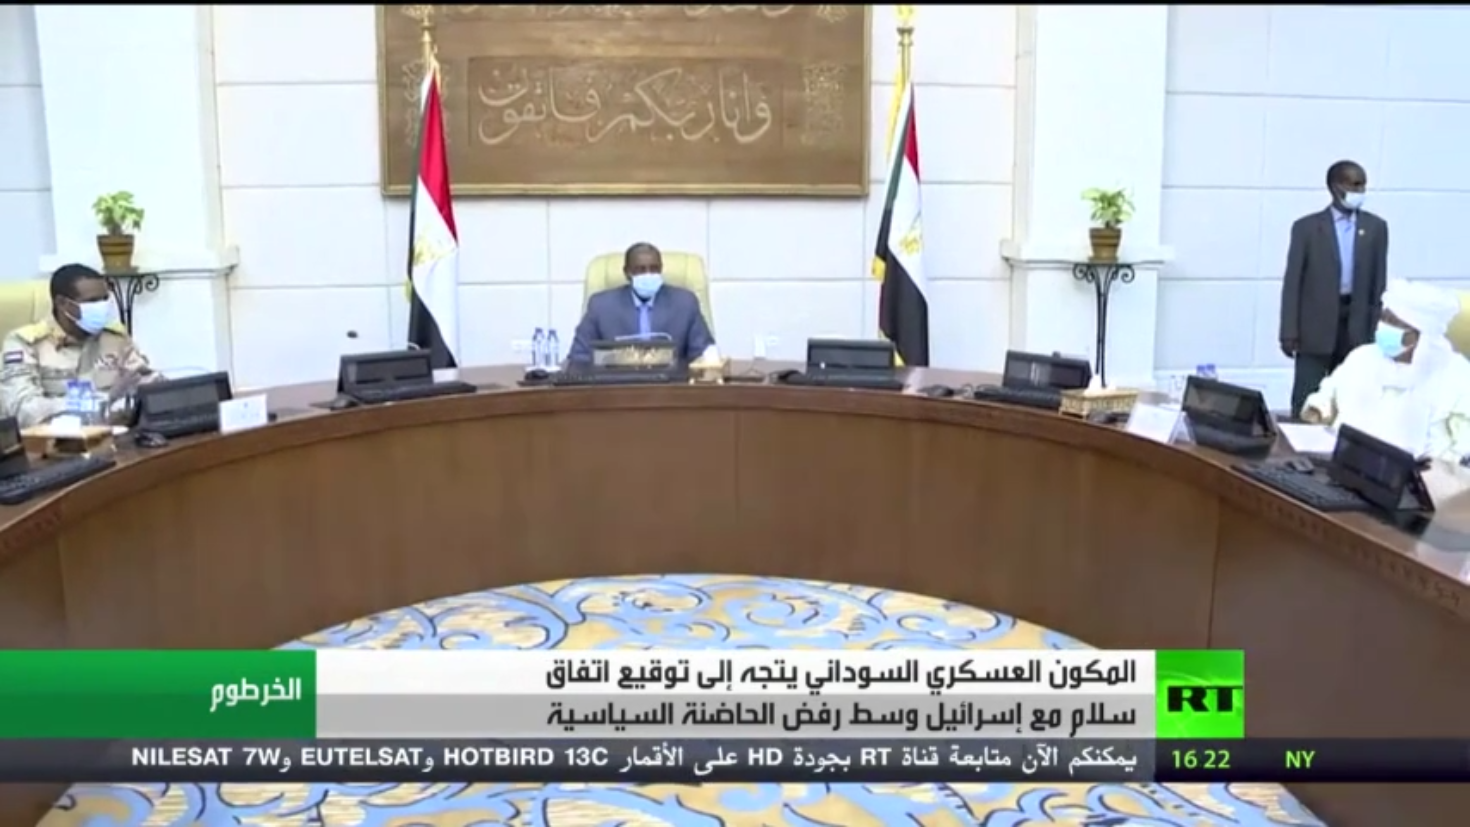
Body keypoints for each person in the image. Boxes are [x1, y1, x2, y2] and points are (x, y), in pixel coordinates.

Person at [1301, 280, 1470, 463]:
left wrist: (1441, 468)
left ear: (1419, 335)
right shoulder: (1362, 357)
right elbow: (1329, 394)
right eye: (1384, 318)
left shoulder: (1455, 375)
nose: (1384, 326)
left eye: (1394, 322)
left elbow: (1464, 447)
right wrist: (1318, 410)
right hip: (1344, 462)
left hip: (1416, 475)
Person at [1280, 159, 1390, 418]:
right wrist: (1288, 330)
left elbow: (1378, 283)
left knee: (1351, 402)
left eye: (1363, 185)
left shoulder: (1376, 228)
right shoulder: (1307, 228)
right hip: (1314, 327)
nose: (1360, 191)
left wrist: (1378, 329)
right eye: (1354, 185)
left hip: (1357, 325)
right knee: (1307, 399)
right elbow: (1293, 282)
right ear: (1335, 187)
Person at [0, 264, 159, 428]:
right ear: (62, 303)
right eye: (92, 301)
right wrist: (105, 399)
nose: (102, 307)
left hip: (117, 435)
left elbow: (149, 384)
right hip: (55, 440)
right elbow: (24, 411)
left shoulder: (114, 339)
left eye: (105, 299)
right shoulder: (24, 344)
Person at [567, 242, 715, 365]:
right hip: (616, 386)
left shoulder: (685, 303)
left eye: (654, 269)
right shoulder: (601, 306)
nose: (648, 274)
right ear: (627, 272)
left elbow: (704, 357)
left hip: (671, 386)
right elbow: (579, 358)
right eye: (640, 270)